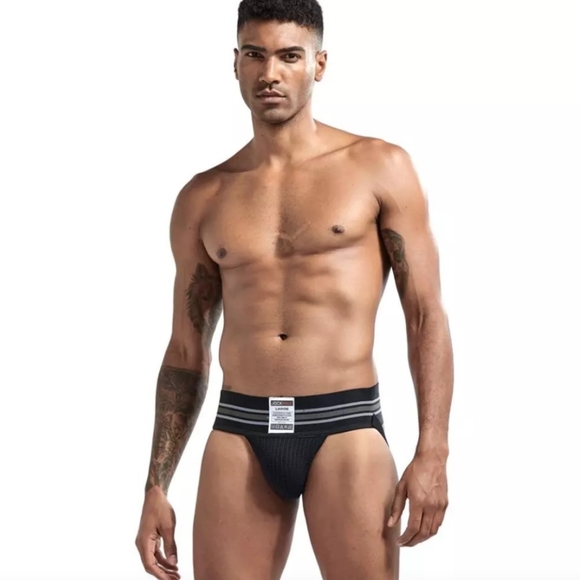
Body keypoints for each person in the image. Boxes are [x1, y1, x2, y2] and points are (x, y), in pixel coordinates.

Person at [135, 1, 453, 578]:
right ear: (235, 63)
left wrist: (433, 451)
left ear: (319, 65)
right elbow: (185, 350)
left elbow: (425, 316)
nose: (270, 73)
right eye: (255, 55)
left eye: (289, 56)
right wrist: (156, 485)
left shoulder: (378, 167)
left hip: (345, 426)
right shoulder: (203, 197)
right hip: (240, 431)